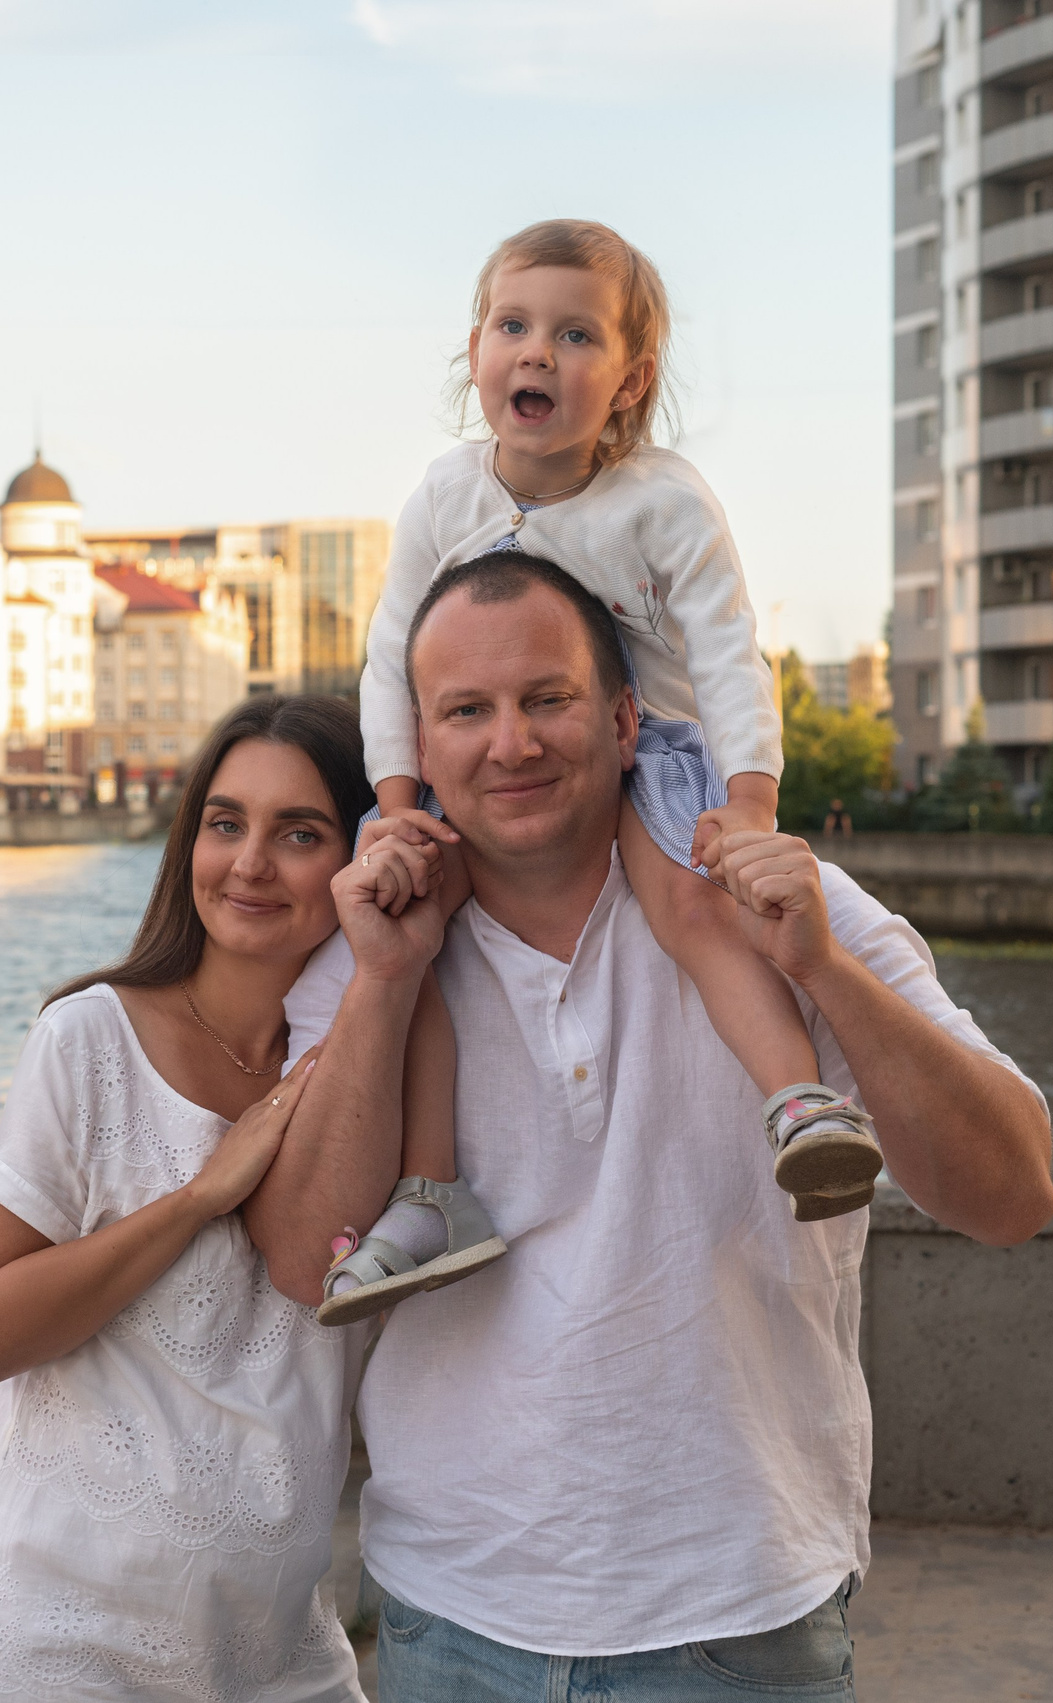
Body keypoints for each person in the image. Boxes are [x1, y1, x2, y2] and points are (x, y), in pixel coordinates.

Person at [248, 554, 1053, 1698]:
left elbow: (1013, 1192)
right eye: (465, 711)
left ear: (628, 719)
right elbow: (299, 1258)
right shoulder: (364, 953)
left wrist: (820, 967)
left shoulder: (781, 905)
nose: (509, 742)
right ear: (419, 755)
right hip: (455, 1614)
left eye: (548, 697)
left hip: (739, 1611)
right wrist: (387, 979)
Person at [319, 220, 880, 1324]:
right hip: (489, 759)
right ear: (472, 351)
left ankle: (798, 1101)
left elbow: (726, 650)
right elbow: (392, 652)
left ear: (630, 380)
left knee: (690, 905)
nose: (537, 353)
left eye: (575, 335)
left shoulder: (662, 499)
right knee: (423, 933)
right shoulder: (443, 495)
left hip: (650, 745)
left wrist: (745, 805)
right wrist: (394, 803)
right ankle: (432, 1190)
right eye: (512, 326)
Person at [0, 695, 377, 1703]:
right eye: (225, 822)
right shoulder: (89, 1041)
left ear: (362, 858)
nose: (249, 861)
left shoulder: (376, 1074)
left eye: (299, 833)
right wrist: (198, 1198)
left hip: (277, 1652)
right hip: (52, 1647)